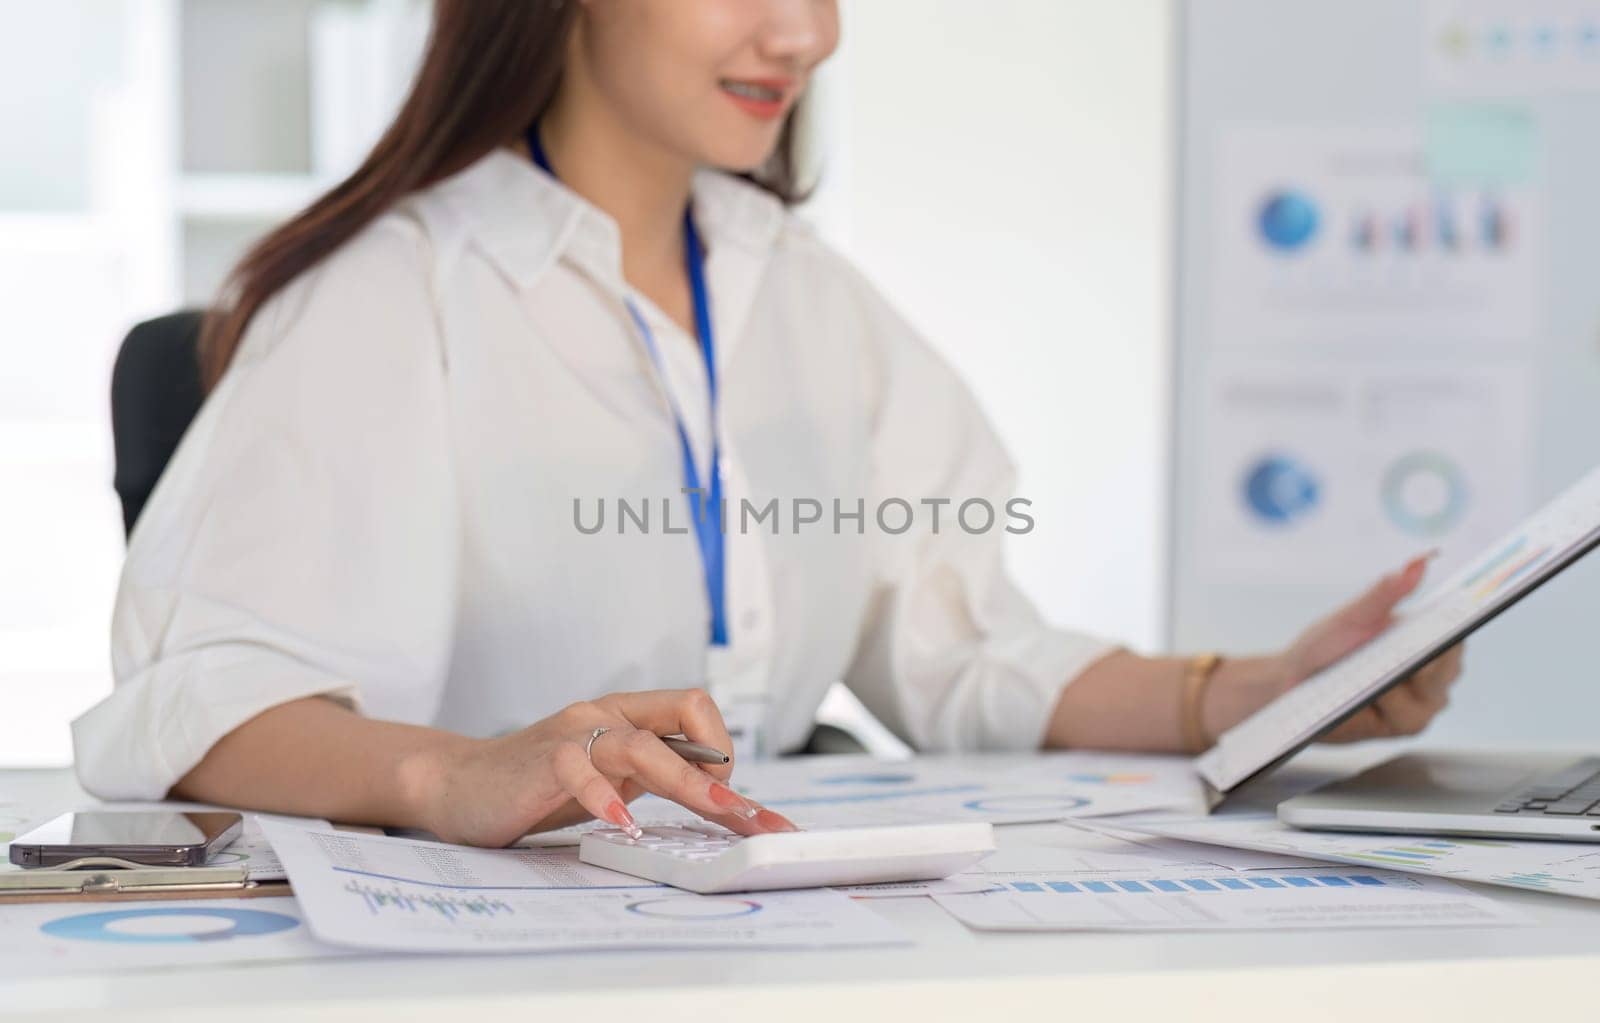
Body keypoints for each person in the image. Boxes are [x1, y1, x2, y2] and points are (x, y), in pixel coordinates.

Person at [73, 0, 1463, 847]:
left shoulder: (801, 289)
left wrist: (1259, 690)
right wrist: (456, 774)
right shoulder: (392, 292)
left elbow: (960, 648)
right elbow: (199, 703)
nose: (807, 34)